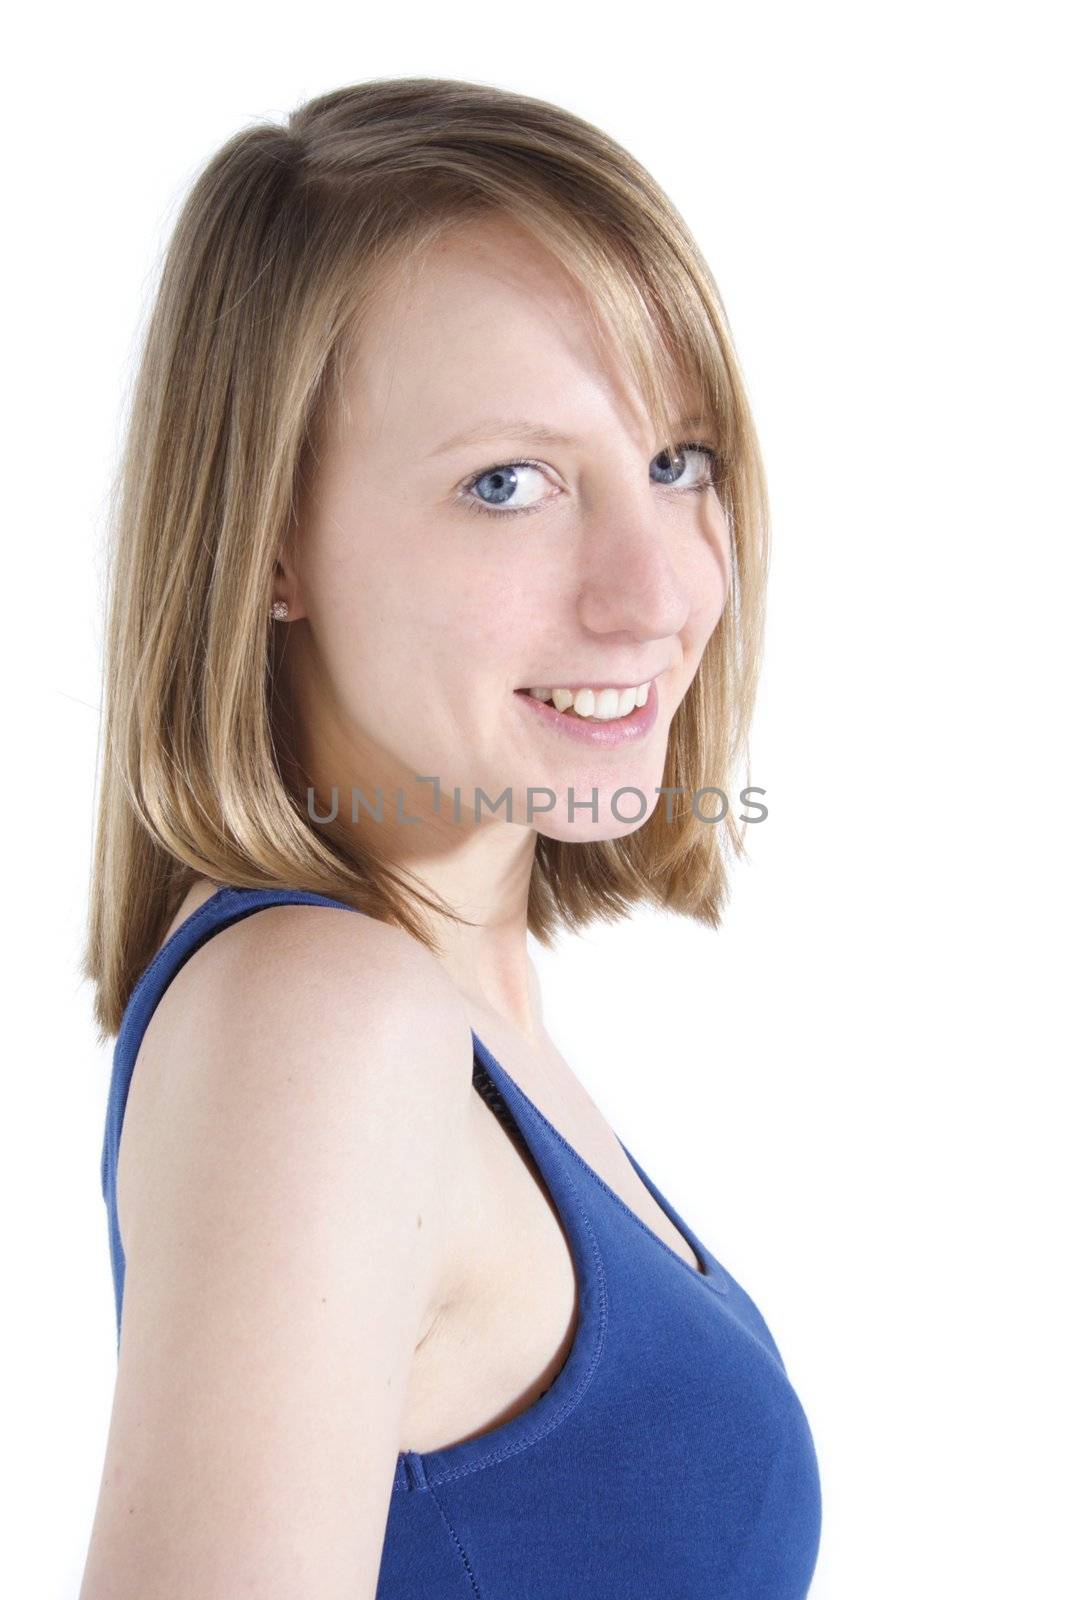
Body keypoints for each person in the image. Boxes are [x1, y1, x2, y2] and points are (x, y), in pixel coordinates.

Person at [78, 77, 821, 1599]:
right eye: (510, 484)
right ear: (270, 540)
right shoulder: (322, 1021)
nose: (656, 588)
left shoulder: (452, 1026)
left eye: (679, 462)